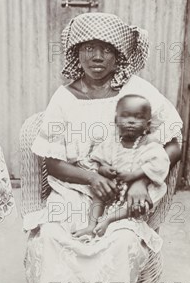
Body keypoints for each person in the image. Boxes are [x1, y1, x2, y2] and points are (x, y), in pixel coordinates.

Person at [23, 12, 182, 283]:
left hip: (126, 194)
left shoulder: (137, 89)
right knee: (51, 238)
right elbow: (52, 161)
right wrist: (91, 178)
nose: (97, 57)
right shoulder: (64, 96)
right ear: (76, 53)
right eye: (88, 48)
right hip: (73, 188)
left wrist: (143, 179)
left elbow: (174, 141)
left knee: (120, 240)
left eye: (106, 50)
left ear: (119, 55)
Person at [72, 94, 170, 240]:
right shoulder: (112, 143)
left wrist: (134, 175)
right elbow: (98, 160)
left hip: (140, 188)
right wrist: (104, 169)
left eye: (138, 117)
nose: (131, 121)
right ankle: (91, 226)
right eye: (125, 116)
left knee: (139, 204)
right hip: (116, 185)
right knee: (99, 194)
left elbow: (159, 163)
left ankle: (109, 220)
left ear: (147, 125)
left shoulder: (149, 142)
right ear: (116, 121)